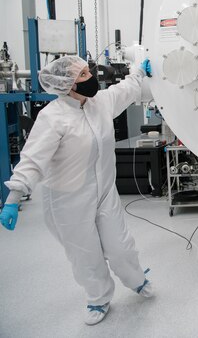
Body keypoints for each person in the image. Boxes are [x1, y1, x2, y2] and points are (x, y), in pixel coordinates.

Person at [0, 56, 154, 325]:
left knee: (120, 247)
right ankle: (98, 298)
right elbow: (33, 159)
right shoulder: (53, 117)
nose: (90, 77)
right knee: (86, 254)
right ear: (67, 84)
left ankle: (137, 280)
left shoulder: (99, 104)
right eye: (82, 75)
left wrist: (140, 70)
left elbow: (125, 90)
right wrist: (13, 198)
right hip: (67, 199)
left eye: (87, 71)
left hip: (104, 192)